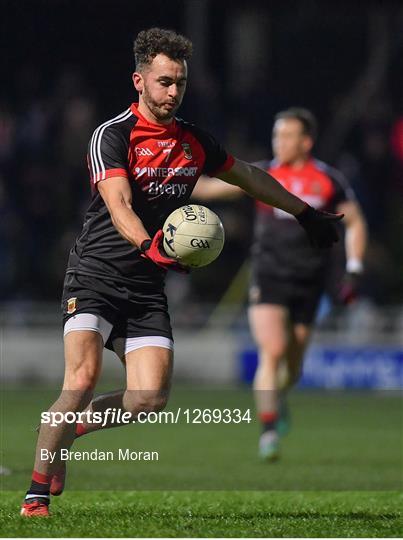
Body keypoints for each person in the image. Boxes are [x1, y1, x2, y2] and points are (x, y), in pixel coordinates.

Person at [21, 30, 343, 517]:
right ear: (140, 81)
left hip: (147, 285)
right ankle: (36, 495)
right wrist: (147, 245)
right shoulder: (113, 135)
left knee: (149, 399)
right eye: (165, 82)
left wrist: (303, 213)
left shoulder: (193, 141)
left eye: (181, 84)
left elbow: (249, 175)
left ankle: (66, 431)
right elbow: (119, 203)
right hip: (96, 274)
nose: (174, 92)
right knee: (82, 378)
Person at [193, 107, 367, 460]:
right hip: (268, 273)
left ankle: (278, 399)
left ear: (306, 141)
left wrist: (353, 269)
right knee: (271, 351)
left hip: (309, 280)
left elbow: (356, 223)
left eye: (287, 136)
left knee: (294, 365)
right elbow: (209, 189)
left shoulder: (328, 180)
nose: (279, 142)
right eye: (276, 135)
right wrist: (170, 177)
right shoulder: (265, 174)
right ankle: (268, 431)